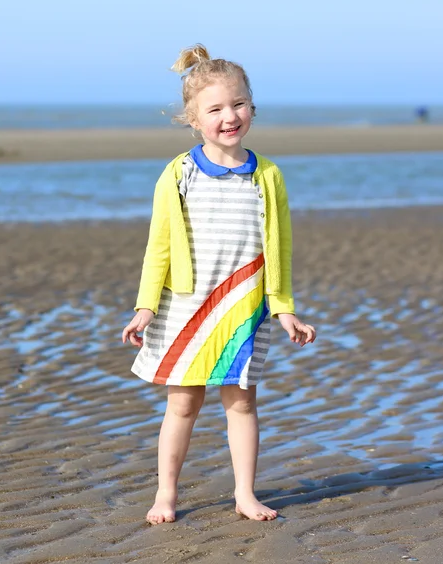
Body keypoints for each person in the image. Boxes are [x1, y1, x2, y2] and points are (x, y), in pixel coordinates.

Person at [121, 44, 316, 525]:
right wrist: (145, 307)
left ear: (252, 106)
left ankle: (245, 494)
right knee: (183, 404)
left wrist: (284, 306)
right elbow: (159, 246)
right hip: (185, 305)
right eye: (215, 109)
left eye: (239, 104)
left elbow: (280, 248)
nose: (230, 116)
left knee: (242, 403)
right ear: (193, 118)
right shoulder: (180, 173)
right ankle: (166, 493)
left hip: (245, 304)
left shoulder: (267, 175)